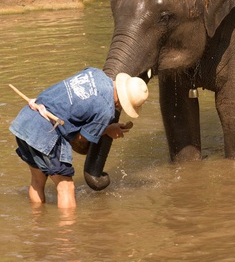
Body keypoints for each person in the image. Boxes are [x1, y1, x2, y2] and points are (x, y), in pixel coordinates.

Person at [9, 67, 148, 209]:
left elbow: (78, 103)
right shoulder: (106, 110)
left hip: (27, 119)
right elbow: (80, 141)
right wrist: (102, 132)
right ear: (122, 102)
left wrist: (105, 129)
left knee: (38, 180)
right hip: (46, 129)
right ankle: (68, 230)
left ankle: (37, 226)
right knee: (66, 187)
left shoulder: (95, 73)